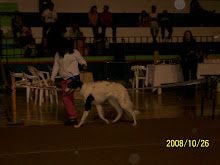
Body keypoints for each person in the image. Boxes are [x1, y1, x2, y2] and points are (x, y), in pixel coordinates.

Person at [48, 38, 87, 125]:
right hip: (64, 78)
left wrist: (84, 64)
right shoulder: (58, 54)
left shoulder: (75, 52)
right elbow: (56, 67)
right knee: (68, 98)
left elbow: (81, 60)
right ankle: (72, 116)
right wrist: (52, 78)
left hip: (73, 78)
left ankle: (73, 117)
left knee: (65, 97)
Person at [180, 31, 202, 97]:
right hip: (185, 61)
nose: (187, 36)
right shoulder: (183, 44)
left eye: (188, 34)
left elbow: (199, 52)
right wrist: (187, 54)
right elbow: (181, 53)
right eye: (186, 34)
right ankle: (186, 90)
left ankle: (193, 90)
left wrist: (196, 53)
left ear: (191, 35)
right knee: (186, 76)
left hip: (193, 61)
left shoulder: (194, 43)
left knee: (193, 75)